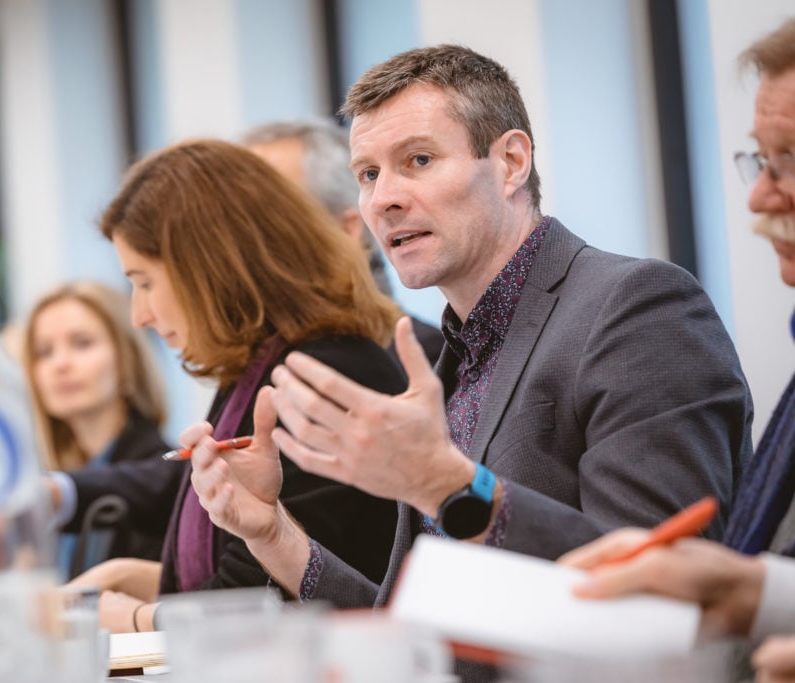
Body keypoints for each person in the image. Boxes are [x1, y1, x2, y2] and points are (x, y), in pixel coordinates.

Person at [187, 43, 752, 635]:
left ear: (511, 162)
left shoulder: (637, 306)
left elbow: (659, 596)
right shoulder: (451, 355)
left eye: (420, 160)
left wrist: (441, 484)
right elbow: (418, 635)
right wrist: (272, 533)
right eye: (369, 174)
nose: (384, 199)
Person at [52, 138, 406, 633]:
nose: (139, 315)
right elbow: (244, 568)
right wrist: (130, 577)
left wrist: (128, 617)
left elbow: (277, 596)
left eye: (146, 281)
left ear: (210, 269)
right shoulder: (260, 367)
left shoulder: (321, 374)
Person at [559, 17, 795, 683]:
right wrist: (742, 586)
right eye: (761, 157)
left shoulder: (637, 304)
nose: (759, 194)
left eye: (792, 159)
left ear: (514, 161)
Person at [241, 119, 445, 364]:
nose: (241, 240)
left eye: (267, 216)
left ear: (346, 229)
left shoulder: (425, 359)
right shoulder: (251, 354)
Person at [24, 281, 170, 576]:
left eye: (82, 343)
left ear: (127, 360)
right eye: (44, 351)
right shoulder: (60, 468)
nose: (60, 364)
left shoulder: (162, 477)